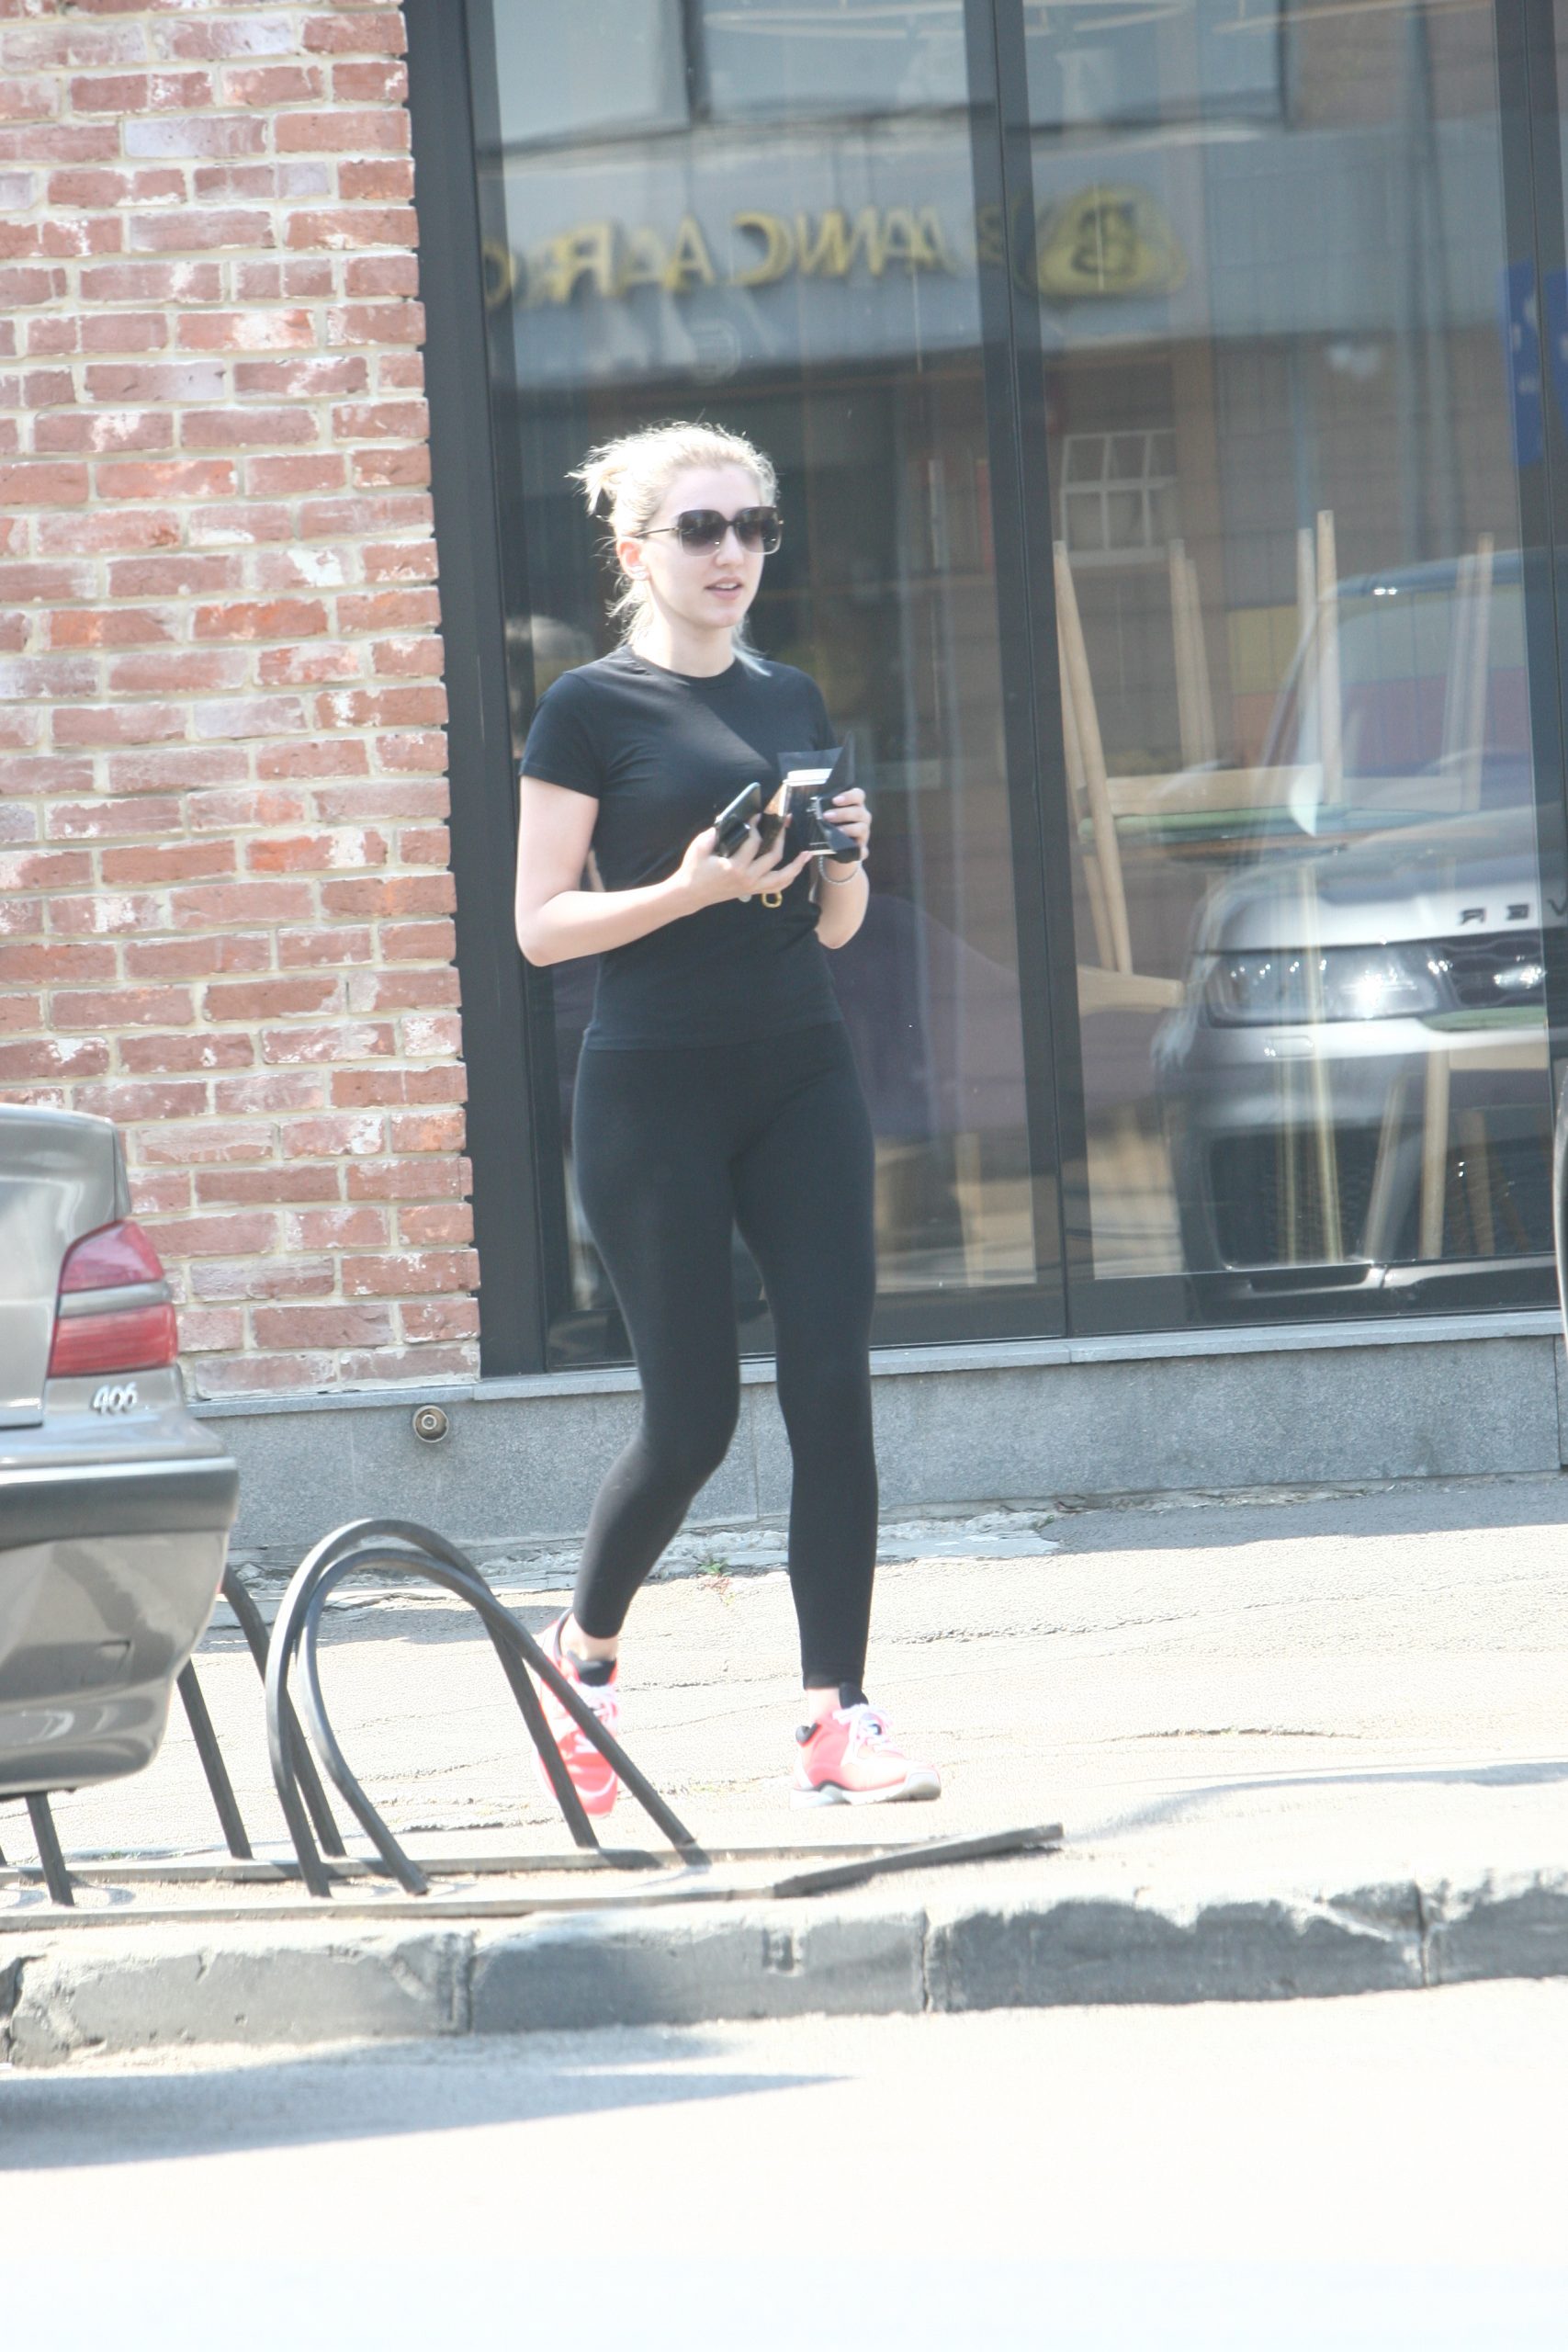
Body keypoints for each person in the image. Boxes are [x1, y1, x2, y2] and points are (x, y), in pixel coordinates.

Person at [513, 419, 941, 1812]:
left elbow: (836, 929)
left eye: (755, 527)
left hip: (799, 1072)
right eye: (702, 528)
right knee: (692, 1422)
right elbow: (539, 927)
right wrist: (691, 888)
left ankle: (837, 1714)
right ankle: (584, 1653)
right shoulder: (587, 708)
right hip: (653, 1089)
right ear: (636, 549)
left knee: (832, 1389)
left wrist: (845, 860)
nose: (734, 553)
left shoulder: (789, 694)